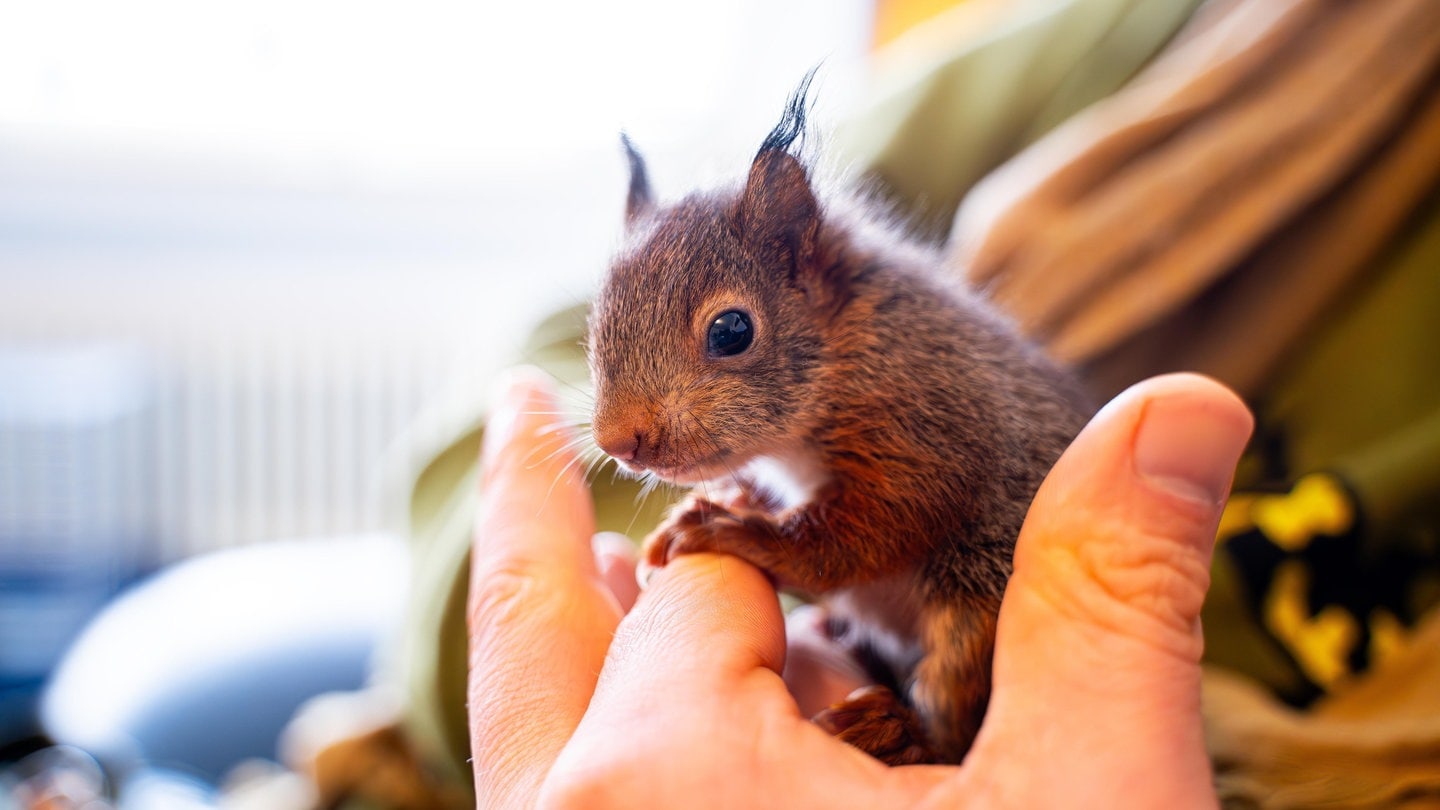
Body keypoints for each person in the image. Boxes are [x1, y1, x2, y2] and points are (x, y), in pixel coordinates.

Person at [464, 366, 1253, 809]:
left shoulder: (890, 385)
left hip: (972, 589)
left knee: (966, 621)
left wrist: (776, 547)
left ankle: (932, 727)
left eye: (729, 337)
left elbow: (899, 509)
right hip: (833, 662)